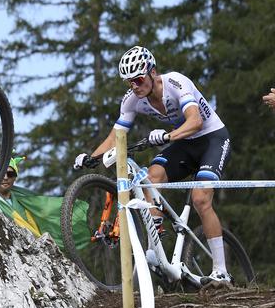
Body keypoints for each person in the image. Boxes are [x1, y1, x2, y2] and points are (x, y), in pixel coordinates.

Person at [73, 46, 233, 285]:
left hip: (212, 138)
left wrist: (168, 137)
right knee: (151, 178)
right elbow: (116, 136)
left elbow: (196, 121)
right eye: (129, 83)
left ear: (153, 72)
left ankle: (221, 271)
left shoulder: (176, 83)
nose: (135, 86)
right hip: (184, 143)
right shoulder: (131, 101)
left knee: (200, 199)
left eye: (138, 79)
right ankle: (156, 251)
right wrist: (91, 158)